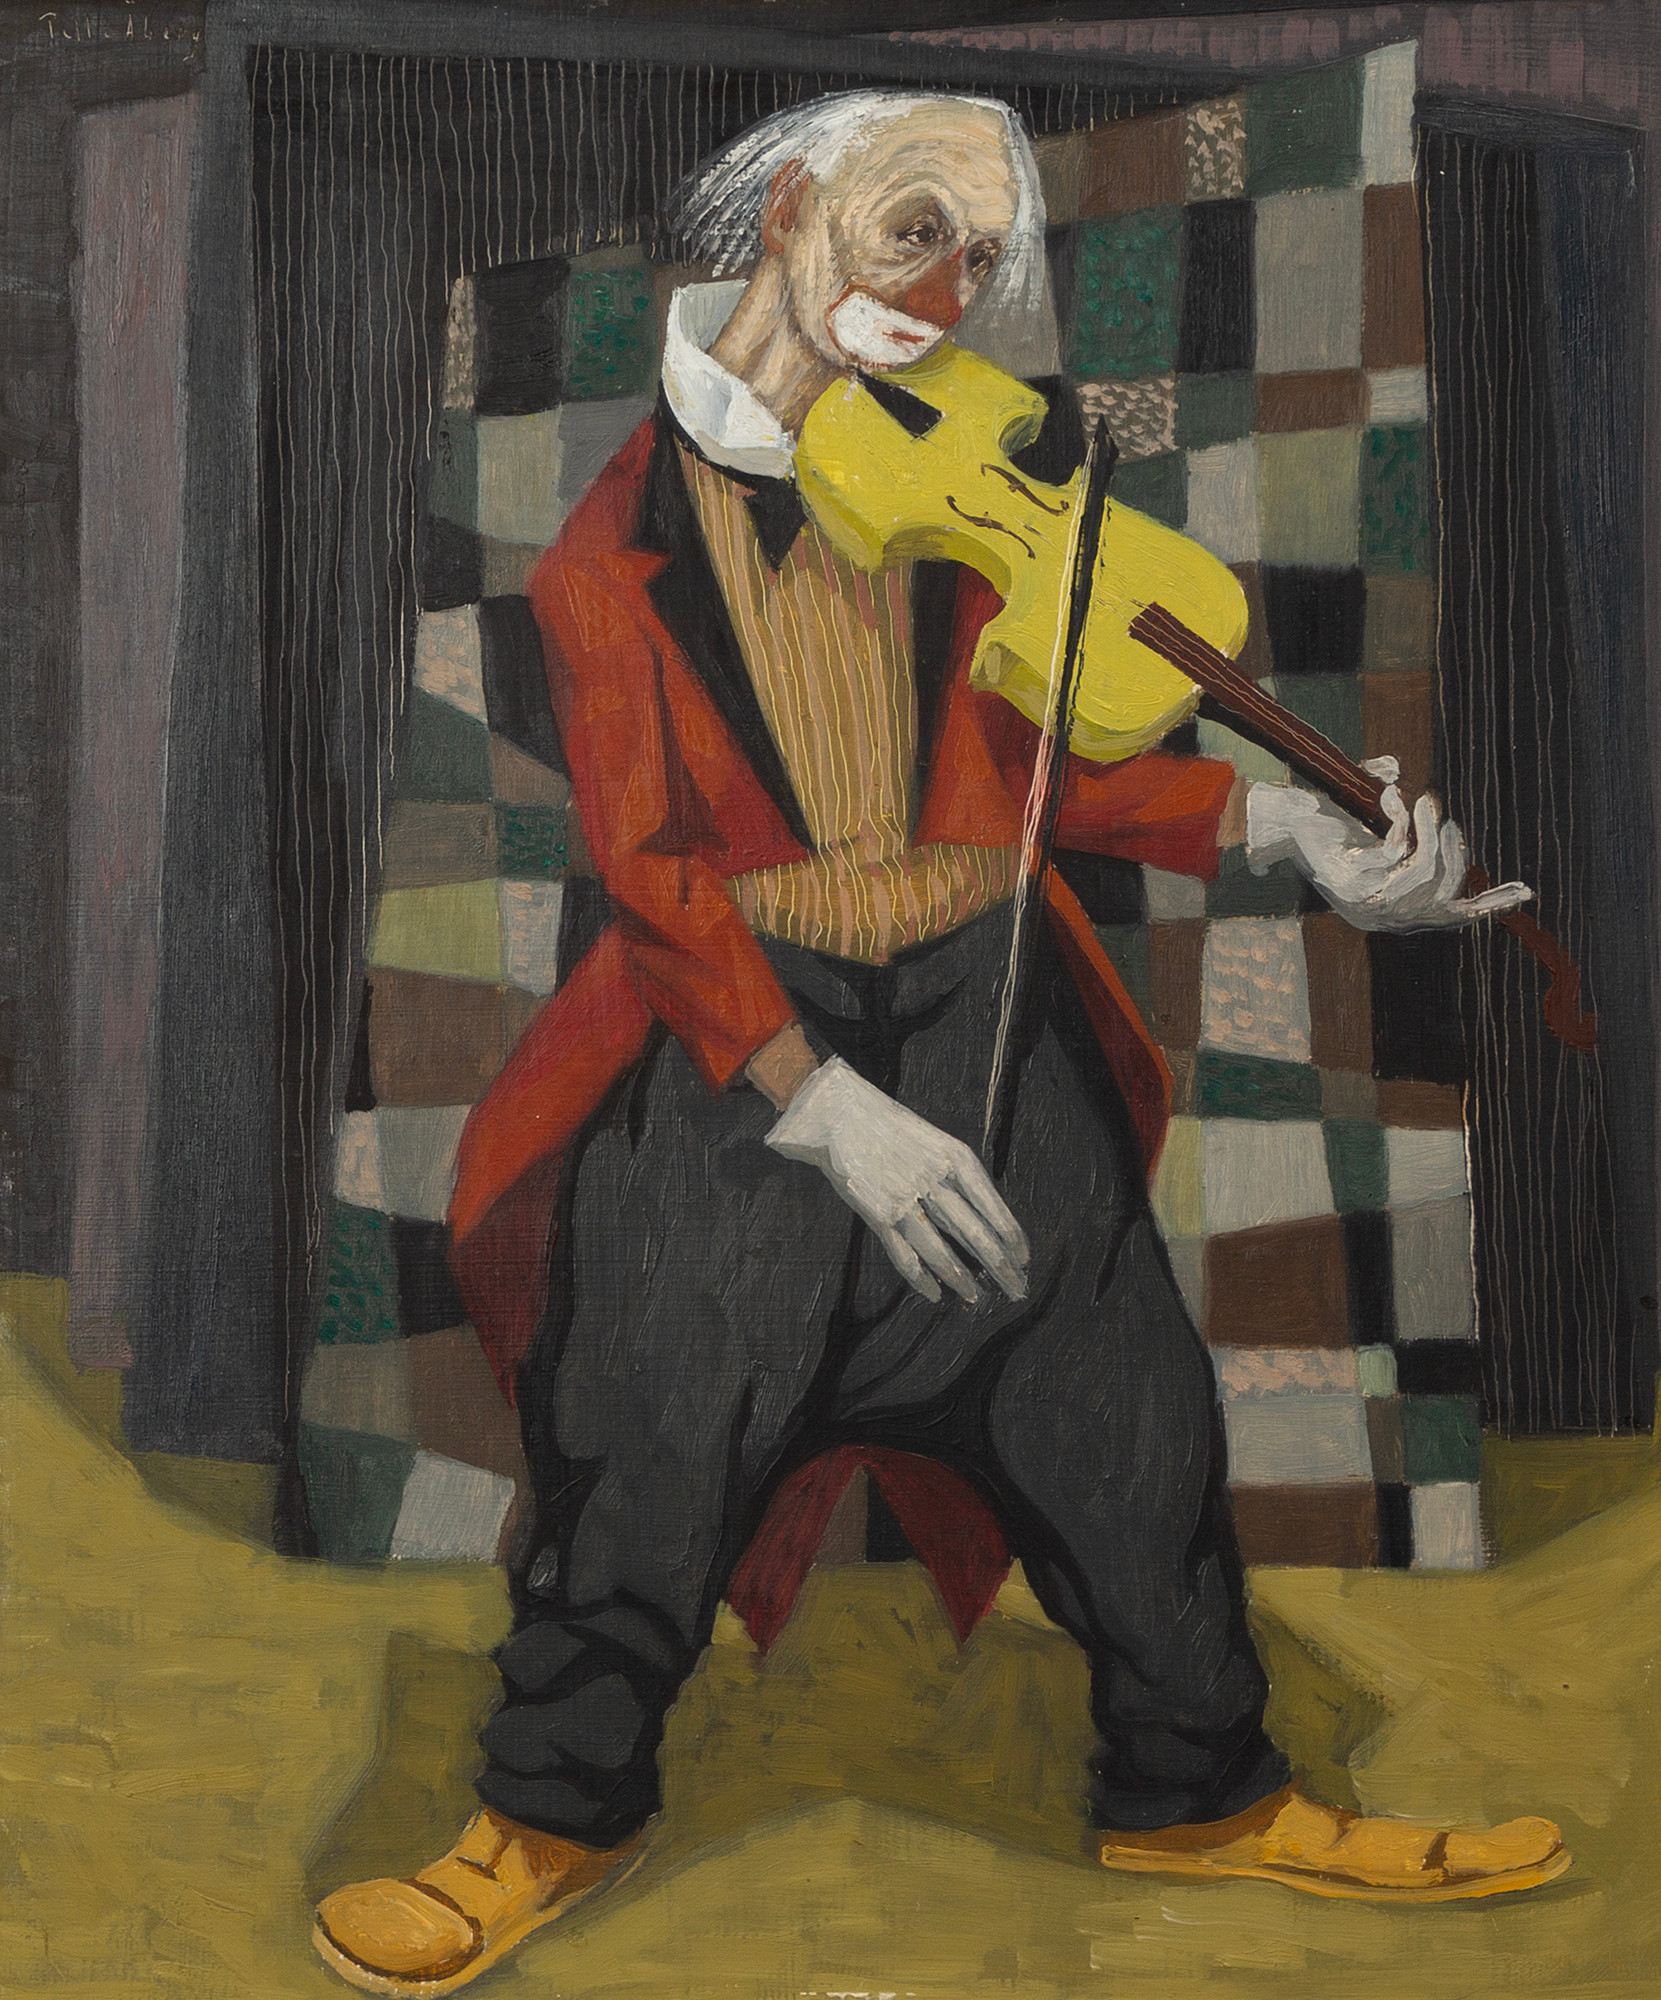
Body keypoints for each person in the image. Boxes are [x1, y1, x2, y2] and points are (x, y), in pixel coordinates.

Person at [312, 91, 1564, 1997]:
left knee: (1125, 1412)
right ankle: (542, 1820)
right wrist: (824, 1112)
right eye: (918, 230)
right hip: (749, 1056)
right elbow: (655, 880)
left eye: (982, 258)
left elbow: (1056, 765)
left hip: (989, 998)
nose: (951, 290)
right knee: (644, 1425)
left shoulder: (954, 485)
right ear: (793, 211)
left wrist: (1282, 828)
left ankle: (1200, 1789)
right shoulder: (606, 556)